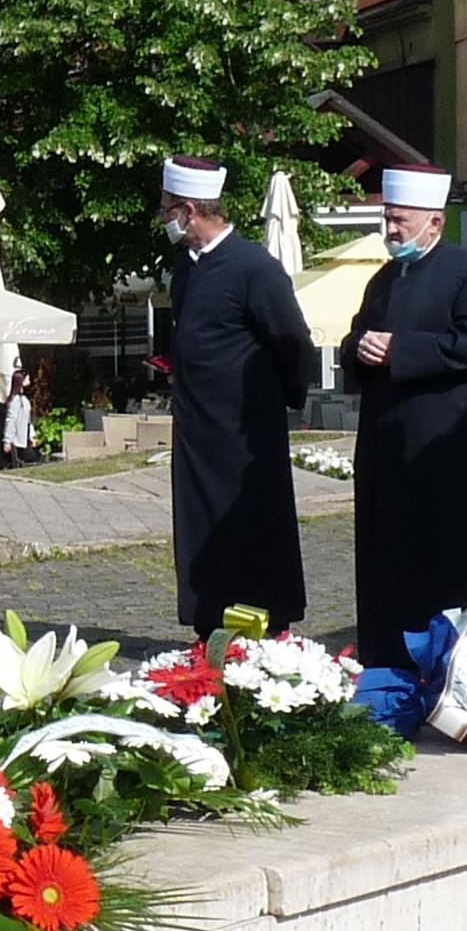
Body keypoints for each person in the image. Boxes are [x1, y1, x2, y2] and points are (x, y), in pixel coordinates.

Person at [337, 165, 467, 667]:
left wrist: (400, 350)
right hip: (386, 444)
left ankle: (454, 661)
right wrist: (360, 348)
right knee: (388, 558)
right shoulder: (384, 279)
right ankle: (389, 657)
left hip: (447, 447)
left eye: (401, 221)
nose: (391, 230)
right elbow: (356, 339)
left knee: (449, 561)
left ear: (434, 223)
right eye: (388, 220)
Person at [161, 156, 314, 633]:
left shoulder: (253, 267)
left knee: (251, 530)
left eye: (167, 208)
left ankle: (266, 623)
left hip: (245, 434)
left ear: (189, 209)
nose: (163, 217)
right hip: (197, 430)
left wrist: (276, 402)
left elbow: (293, 343)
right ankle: (209, 623)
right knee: (200, 531)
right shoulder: (186, 267)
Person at [2, 372, 36, 467]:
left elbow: (28, 420)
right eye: (27, 379)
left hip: (23, 438)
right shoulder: (15, 401)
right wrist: (7, 441)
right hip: (16, 441)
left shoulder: (24, 400)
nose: (29, 381)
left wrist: (31, 435)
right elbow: (11, 420)